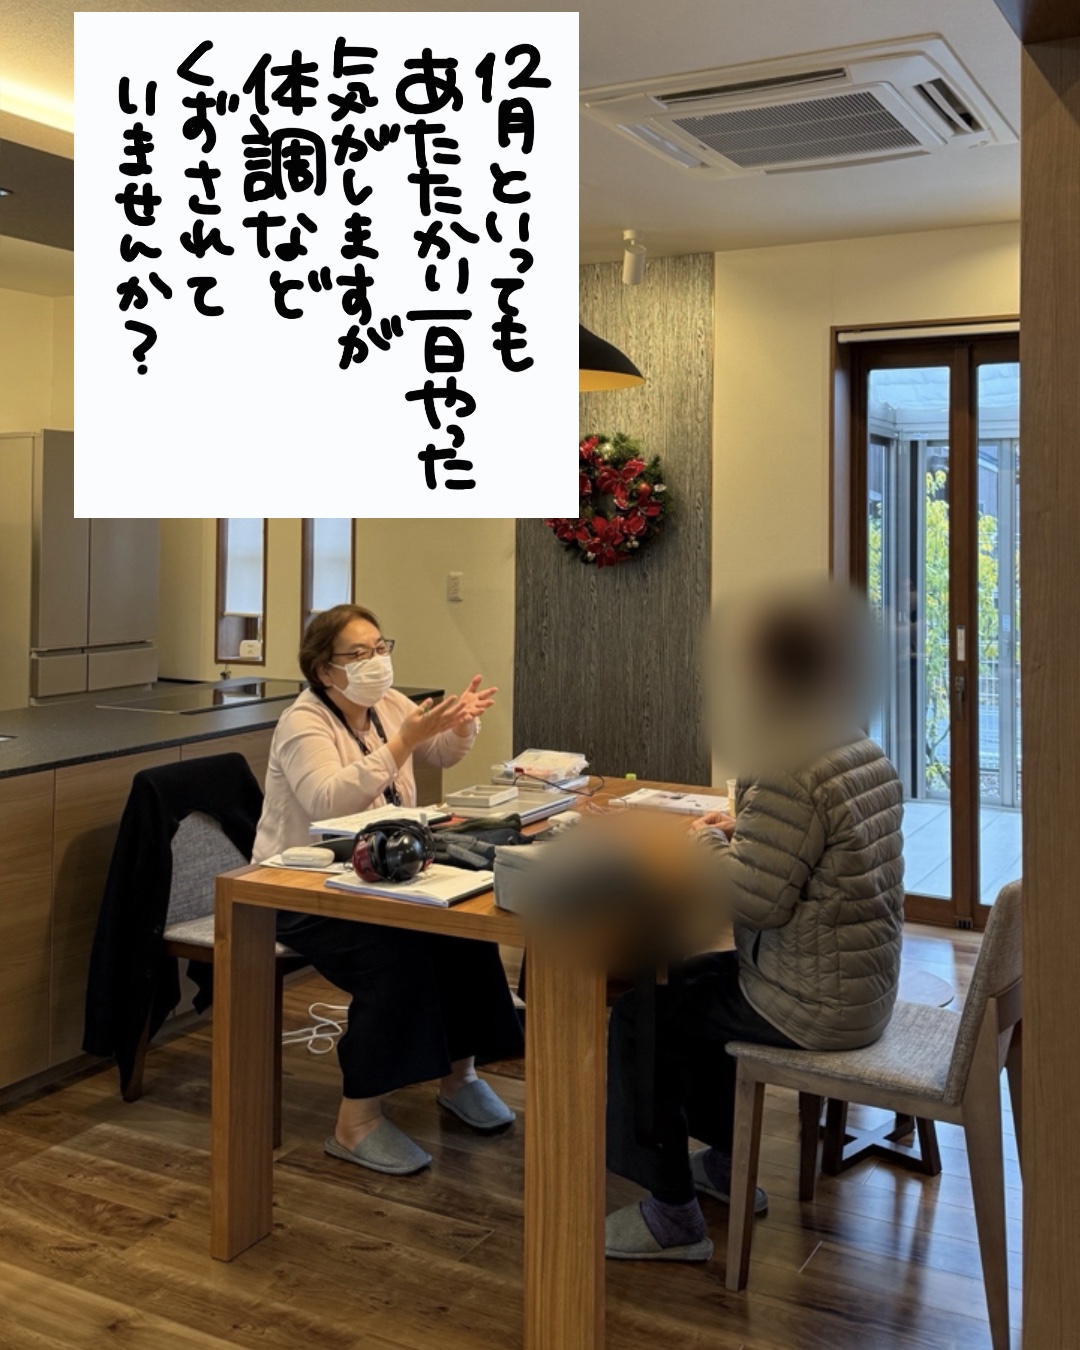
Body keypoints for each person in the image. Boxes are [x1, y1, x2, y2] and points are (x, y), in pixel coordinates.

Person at [604, 593, 904, 1262]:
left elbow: (754, 903)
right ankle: (724, 1162)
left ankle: (672, 1215)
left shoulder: (787, 763)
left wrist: (704, 845)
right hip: (859, 984)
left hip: (812, 1003)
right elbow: (822, 848)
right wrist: (746, 828)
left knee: (640, 1016)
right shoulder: (854, 744)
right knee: (686, 985)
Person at [253, 603, 523, 1176]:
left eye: (379, 648)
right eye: (358, 653)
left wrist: (462, 722)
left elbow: (442, 751)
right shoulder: (304, 722)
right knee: (395, 958)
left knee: (464, 936)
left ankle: (460, 1077)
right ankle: (357, 1122)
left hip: (380, 877)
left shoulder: (388, 705)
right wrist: (403, 743)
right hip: (299, 886)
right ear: (324, 671)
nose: (375, 661)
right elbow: (328, 801)